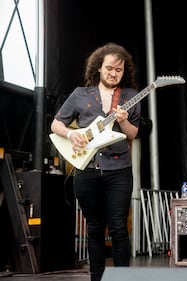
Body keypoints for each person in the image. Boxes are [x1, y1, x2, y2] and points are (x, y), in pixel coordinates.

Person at [50, 42, 141, 281]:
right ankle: (96, 278)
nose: (113, 73)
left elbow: (132, 134)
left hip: (119, 168)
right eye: (109, 68)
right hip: (87, 170)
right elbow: (56, 124)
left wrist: (122, 121)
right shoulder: (80, 94)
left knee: (119, 228)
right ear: (99, 68)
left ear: (124, 71)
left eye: (119, 70)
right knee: (94, 229)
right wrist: (71, 134)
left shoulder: (130, 97)